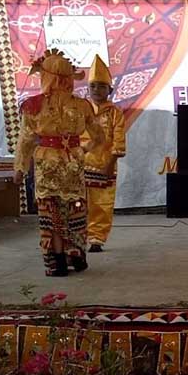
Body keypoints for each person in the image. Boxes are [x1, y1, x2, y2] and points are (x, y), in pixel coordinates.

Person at [13, 49, 104, 276]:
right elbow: (99, 137)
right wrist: (82, 149)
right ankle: (77, 255)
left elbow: (25, 140)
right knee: (74, 210)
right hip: (73, 162)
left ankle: (58, 262)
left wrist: (20, 169)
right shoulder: (82, 105)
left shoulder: (33, 105)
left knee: (50, 211)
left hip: (47, 162)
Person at [82, 55, 126, 252]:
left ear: (110, 90)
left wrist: (111, 162)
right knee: (78, 204)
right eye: (93, 86)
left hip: (104, 165)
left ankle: (97, 239)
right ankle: (78, 237)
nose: (96, 90)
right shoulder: (81, 110)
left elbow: (118, 139)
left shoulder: (115, 112)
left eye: (101, 86)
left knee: (102, 204)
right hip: (80, 164)